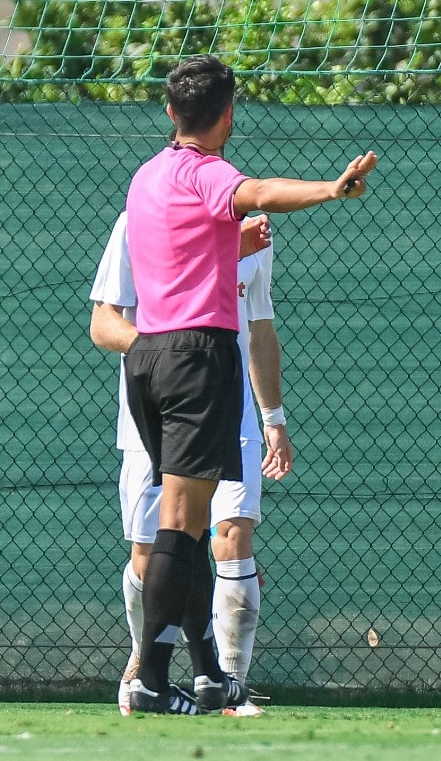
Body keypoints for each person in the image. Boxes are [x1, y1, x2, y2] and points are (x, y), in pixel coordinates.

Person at [119, 54, 377, 715]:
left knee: (191, 519)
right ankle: (147, 678)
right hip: (195, 357)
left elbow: (175, 262)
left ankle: (208, 674)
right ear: (227, 115)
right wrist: (331, 188)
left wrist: (226, 250)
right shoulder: (211, 174)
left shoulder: (147, 177)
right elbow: (256, 191)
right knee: (180, 526)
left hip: (145, 356)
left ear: (170, 112)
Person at [91, 210, 293, 717]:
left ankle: (227, 685)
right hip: (159, 405)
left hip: (230, 407)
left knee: (232, 536)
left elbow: (260, 326)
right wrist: (167, 356)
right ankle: (144, 668)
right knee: (155, 550)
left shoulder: (254, 227)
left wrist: (273, 416)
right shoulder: (140, 220)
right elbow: (103, 322)